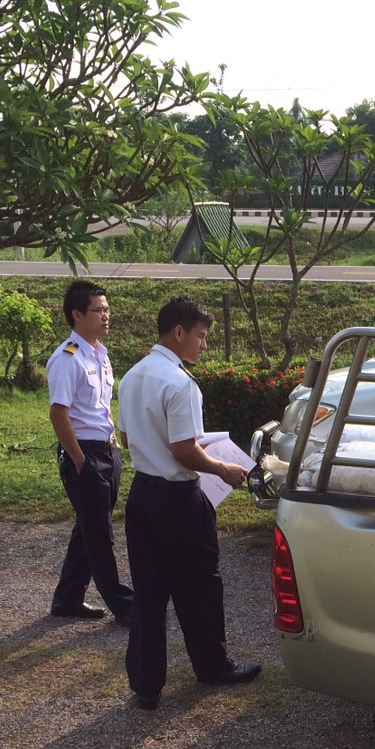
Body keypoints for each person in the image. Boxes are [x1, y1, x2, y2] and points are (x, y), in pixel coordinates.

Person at [117, 295, 261, 711]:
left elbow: (125, 437)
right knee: (199, 585)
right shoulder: (181, 384)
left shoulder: (133, 375)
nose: (204, 345)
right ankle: (212, 666)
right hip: (178, 499)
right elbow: (184, 450)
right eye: (200, 336)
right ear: (178, 332)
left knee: (149, 592)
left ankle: (146, 685)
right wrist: (222, 468)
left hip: (142, 494)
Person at [46, 279, 135, 626]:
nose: (106, 316)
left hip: (107, 451)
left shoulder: (100, 354)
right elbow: (59, 413)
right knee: (100, 534)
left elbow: (101, 407)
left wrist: (114, 447)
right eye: (99, 310)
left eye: (107, 309)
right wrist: (79, 460)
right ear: (77, 314)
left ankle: (68, 598)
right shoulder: (67, 358)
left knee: (89, 526)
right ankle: (125, 605)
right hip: (84, 453)